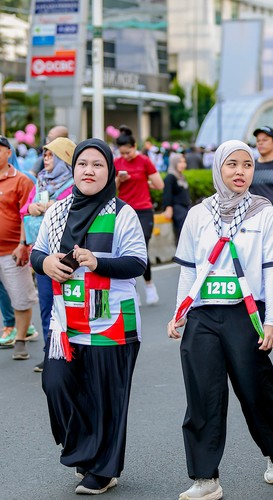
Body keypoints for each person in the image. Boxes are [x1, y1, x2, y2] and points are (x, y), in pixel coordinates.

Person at [168, 140, 273, 500]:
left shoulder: (264, 213)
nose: (240, 172)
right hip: (203, 314)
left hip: (246, 313)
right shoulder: (199, 214)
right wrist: (179, 312)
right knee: (203, 396)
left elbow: (272, 270)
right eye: (232, 164)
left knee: (255, 390)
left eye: (247, 165)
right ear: (218, 168)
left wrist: (272, 321)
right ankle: (205, 477)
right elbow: (189, 269)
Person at [30, 138, 147, 495]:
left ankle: (103, 470)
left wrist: (98, 262)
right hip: (65, 323)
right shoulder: (58, 211)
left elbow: (137, 263)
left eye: (98, 165)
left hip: (112, 323)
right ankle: (86, 450)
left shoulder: (122, 213)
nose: (89, 171)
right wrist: (47, 263)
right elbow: (38, 252)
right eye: (83, 164)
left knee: (106, 399)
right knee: (56, 385)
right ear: (74, 169)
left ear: (109, 171)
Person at [20, 137, 76, 372]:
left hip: (67, 255)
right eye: (45, 153)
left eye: (52, 154)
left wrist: (54, 207)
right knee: (46, 305)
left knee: (69, 305)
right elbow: (24, 208)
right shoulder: (41, 181)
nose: (46, 158)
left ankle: (73, 351)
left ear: (65, 159)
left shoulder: (75, 185)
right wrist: (32, 207)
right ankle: (50, 352)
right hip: (43, 255)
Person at [115, 125, 164, 305]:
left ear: (135, 146)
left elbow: (160, 185)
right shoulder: (117, 163)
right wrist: (119, 180)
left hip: (143, 211)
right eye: (122, 153)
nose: (126, 156)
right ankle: (132, 290)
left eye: (128, 152)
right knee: (124, 250)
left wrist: (145, 181)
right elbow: (111, 190)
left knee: (140, 248)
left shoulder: (144, 161)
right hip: (124, 212)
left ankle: (149, 285)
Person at [0, 135, 38, 359]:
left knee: (21, 297)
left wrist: (23, 244)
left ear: (8, 153)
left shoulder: (22, 181)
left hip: (12, 251)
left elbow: (27, 216)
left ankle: (21, 340)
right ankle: (10, 327)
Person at [162, 153, 191, 242]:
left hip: (185, 208)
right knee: (182, 234)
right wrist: (168, 208)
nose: (183, 164)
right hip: (178, 209)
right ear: (174, 163)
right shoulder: (170, 177)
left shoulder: (181, 177)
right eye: (179, 162)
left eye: (184, 162)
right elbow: (167, 193)